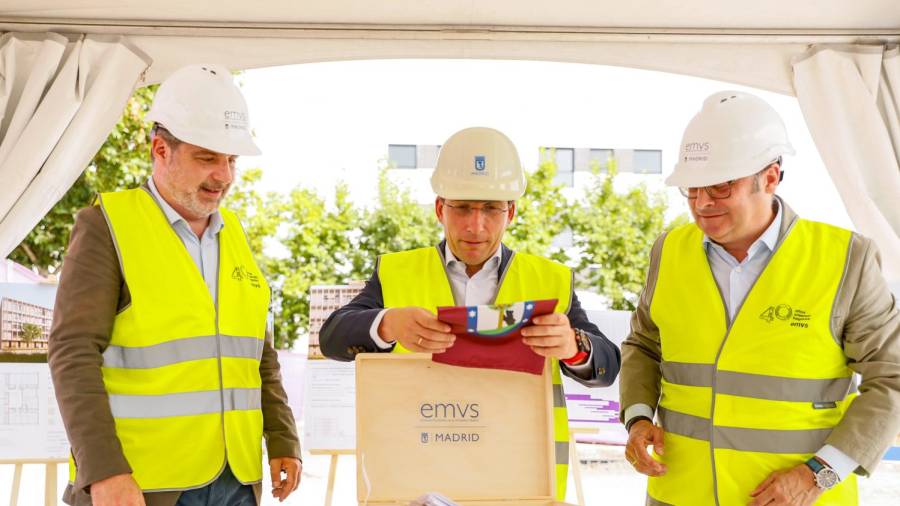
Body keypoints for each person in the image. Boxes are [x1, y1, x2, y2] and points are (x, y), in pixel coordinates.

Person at [619, 90, 900, 505]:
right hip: (679, 494)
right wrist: (638, 418)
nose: (702, 204)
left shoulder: (844, 258)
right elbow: (644, 345)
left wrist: (818, 475)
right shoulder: (669, 250)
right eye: (692, 190)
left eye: (720, 187)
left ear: (769, 176)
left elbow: (891, 379)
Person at [319, 126, 621, 500]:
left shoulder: (550, 280)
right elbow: (332, 337)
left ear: (511, 212)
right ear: (439, 209)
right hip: (418, 481)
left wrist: (573, 346)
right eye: (462, 208)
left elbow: (607, 364)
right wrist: (389, 322)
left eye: (491, 209)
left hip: (518, 483)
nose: (475, 226)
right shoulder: (395, 272)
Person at [48, 64, 301, 506]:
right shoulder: (107, 225)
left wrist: (281, 436)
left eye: (231, 160)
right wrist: (103, 470)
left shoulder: (235, 235)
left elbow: (258, 354)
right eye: (207, 157)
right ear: (160, 149)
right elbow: (72, 353)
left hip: (236, 481)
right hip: (143, 485)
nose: (223, 176)